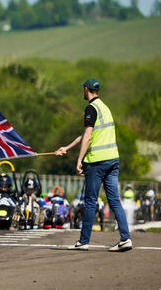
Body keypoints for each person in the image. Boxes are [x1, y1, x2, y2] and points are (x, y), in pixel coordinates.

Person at [55, 78, 132, 252]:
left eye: (83, 89)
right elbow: (87, 134)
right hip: (113, 159)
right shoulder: (105, 107)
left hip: (97, 162)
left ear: (87, 89)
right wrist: (66, 148)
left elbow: (88, 135)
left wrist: (79, 160)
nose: (82, 91)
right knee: (114, 200)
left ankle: (83, 241)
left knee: (90, 202)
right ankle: (126, 238)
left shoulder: (90, 108)